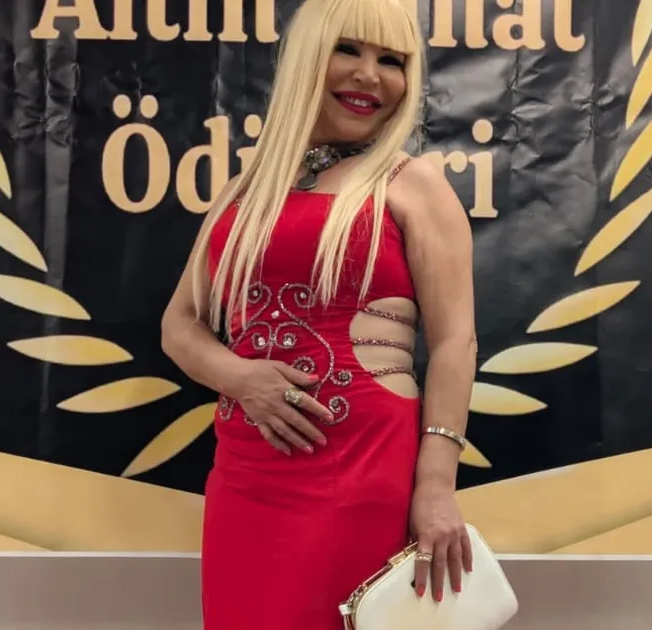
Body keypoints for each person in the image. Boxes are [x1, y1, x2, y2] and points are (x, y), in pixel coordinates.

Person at [160, 0, 477, 627]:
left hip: (361, 470)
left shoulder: (412, 183)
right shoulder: (246, 190)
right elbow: (180, 324)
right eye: (348, 49)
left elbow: (454, 343)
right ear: (308, 56)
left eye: (392, 60)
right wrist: (238, 377)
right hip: (245, 474)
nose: (370, 75)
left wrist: (437, 486)